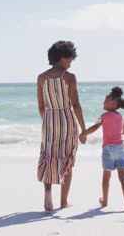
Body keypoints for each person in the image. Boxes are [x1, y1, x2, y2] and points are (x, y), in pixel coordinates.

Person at [37, 41, 86, 211]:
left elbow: (41, 106)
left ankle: (48, 196)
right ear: (63, 58)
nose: (71, 63)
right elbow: (76, 105)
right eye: (71, 59)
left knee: (49, 157)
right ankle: (63, 201)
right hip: (67, 119)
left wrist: (49, 122)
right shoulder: (69, 77)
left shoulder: (42, 78)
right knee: (67, 159)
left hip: (49, 120)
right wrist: (84, 129)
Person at [79, 86, 124, 212]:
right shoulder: (121, 117)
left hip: (108, 149)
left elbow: (96, 126)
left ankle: (105, 201)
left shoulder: (104, 116)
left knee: (106, 177)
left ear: (113, 103)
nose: (103, 102)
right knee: (123, 177)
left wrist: (83, 134)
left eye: (106, 100)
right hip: (120, 148)